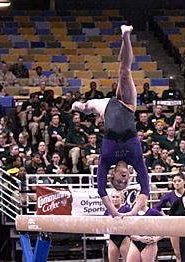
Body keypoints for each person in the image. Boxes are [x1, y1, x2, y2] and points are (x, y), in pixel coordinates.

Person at [71, 25, 149, 216]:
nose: (123, 180)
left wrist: (113, 212)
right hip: (127, 106)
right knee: (124, 71)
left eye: (118, 182)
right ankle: (126, 34)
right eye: (126, 182)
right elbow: (145, 191)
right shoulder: (136, 160)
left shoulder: (105, 160)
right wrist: (130, 214)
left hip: (106, 109)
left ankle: (77, 106)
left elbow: (101, 191)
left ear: (111, 175)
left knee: (86, 107)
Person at [154, 173, 185, 262]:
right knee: (178, 253)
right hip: (175, 225)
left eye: (179, 181)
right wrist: (165, 217)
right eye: (174, 181)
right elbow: (157, 207)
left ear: (184, 182)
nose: (176, 183)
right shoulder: (170, 195)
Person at [105, 191, 131, 262]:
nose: (115, 199)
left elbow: (133, 223)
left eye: (117, 197)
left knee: (127, 260)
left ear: (122, 199)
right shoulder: (108, 211)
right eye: (113, 197)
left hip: (124, 238)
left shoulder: (126, 209)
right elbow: (104, 225)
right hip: (113, 238)